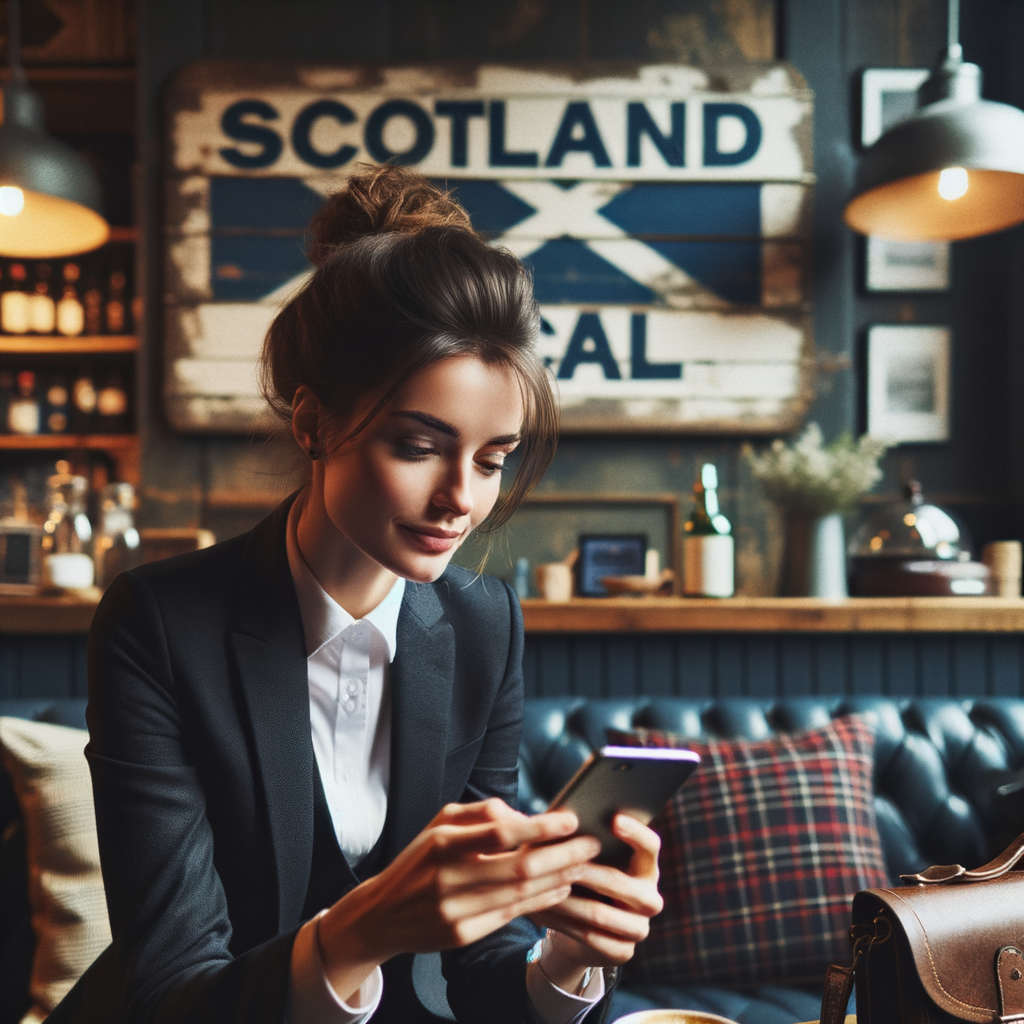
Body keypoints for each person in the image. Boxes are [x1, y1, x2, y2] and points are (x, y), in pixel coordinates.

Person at [51, 166, 663, 1024]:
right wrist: (355, 934)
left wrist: (569, 954)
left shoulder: (486, 626)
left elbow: (479, 963)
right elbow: (173, 990)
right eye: (420, 446)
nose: (462, 498)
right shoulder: (158, 623)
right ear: (313, 424)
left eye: (493, 461)